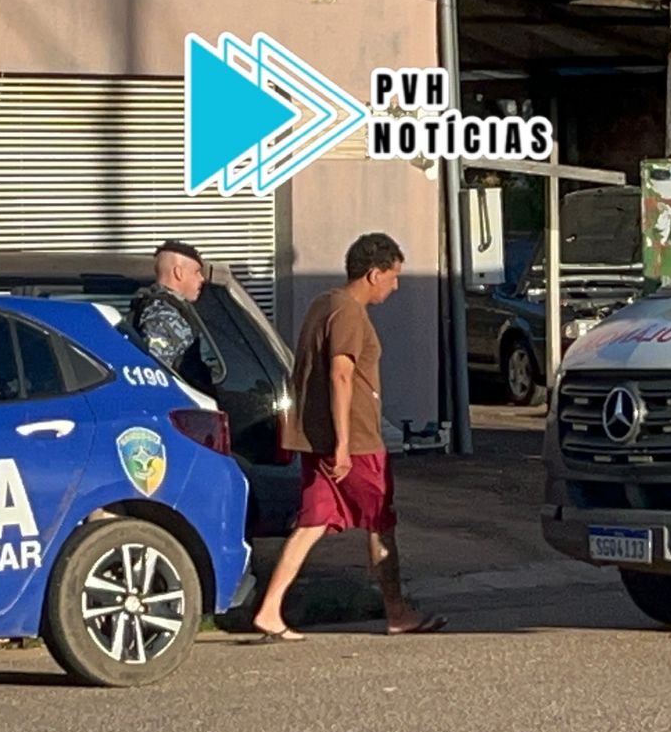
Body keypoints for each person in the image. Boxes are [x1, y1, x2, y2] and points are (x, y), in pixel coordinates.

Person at [249, 232, 447, 642]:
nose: (395, 285)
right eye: (393, 276)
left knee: (312, 522)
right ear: (374, 274)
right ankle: (397, 611)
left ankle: (269, 610)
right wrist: (343, 444)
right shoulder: (349, 313)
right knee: (380, 522)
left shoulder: (323, 304)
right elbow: (341, 373)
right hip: (353, 442)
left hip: (316, 439)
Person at [129, 239, 214, 392]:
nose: (201, 279)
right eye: (196, 272)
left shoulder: (171, 309)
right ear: (178, 273)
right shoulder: (161, 316)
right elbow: (154, 376)